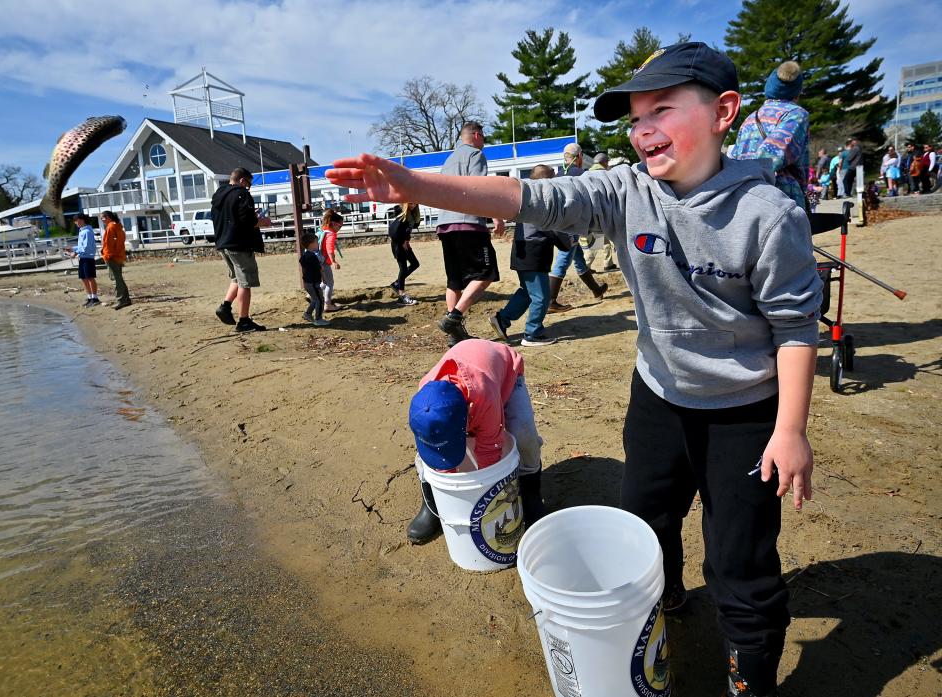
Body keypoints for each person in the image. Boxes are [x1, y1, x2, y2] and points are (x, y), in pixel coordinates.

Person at [326, 40, 822, 697]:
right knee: (644, 522)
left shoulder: (769, 215)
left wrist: (790, 428)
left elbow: (794, 327)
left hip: (746, 411)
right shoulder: (624, 193)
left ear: (724, 111)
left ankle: (751, 677)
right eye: (636, 117)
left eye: (663, 110)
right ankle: (667, 596)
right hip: (659, 395)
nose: (644, 130)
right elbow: (524, 198)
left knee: (740, 558)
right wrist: (417, 185)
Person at [405, 339, 546, 544]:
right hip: (461, 391)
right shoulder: (424, 399)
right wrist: (450, 486)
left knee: (525, 436)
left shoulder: (484, 398)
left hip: (505, 374)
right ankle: (432, 505)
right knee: (425, 458)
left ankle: (531, 494)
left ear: (469, 411)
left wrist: (482, 496)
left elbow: (490, 449)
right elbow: (429, 442)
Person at [433, 121, 505, 346]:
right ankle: (454, 318)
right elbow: (479, 188)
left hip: (445, 224)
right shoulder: (475, 155)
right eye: (483, 137)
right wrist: (495, 214)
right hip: (468, 223)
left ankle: (455, 336)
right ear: (476, 135)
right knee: (486, 273)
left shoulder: (448, 160)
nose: (484, 142)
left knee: (454, 280)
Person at [489, 165, 572, 347]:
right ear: (545, 182)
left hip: (521, 250)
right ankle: (533, 333)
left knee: (527, 292)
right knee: (541, 296)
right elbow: (551, 228)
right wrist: (568, 241)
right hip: (534, 252)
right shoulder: (540, 199)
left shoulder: (525, 197)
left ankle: (502, 319)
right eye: (553, 179)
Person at [730, 61, 809, 210]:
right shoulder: (796, 114)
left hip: (743, 197)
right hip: (780, 199)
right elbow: (767, 157)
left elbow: (734, 158)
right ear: (796, 92)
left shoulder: (751, 118)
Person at [548, 142, 609, 313]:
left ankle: (596, 289)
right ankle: (550, 300)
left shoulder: (556, 176)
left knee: (578, 258)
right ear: (580, 156)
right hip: (572, 224)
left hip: (558, 223)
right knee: (563, 259)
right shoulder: (582, 175)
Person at [213, 167, 266, 332]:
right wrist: (263, 221)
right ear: (242, 180)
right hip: (239, 245)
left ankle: (225, 307)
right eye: (248, 184)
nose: (248, 187)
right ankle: (244, 321)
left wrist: (251, 215)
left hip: (223, 243)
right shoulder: (242, 194)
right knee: (245, 282)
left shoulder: (219, 195)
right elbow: (246, 222)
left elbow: (232, 216)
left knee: (236, 278)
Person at [582, 153, 619, 271]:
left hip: (588, 213)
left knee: (602, 241)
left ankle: (607, 263)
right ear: (604, 162)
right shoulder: (606, 174)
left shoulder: (585, 174)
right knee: (598, 241)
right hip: (603, 213)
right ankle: (586, 267)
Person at [387, 202, 421, 305]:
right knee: (403, 268)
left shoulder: (411, 214)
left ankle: (397, 283)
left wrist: (406, 240)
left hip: (403, 243)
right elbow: (392, 231)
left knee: (415, 264)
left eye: (415, 203)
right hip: (399, 245)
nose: (413, 204)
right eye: (411, 202)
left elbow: (409, 228)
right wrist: (404, 241)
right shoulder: (403, 214)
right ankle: (401, 294)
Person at [65, 212, 99, 307]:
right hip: (83, 257)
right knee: (84, 278)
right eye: (75, 221)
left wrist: (73, 249)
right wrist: (74, 252)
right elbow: (82, 246)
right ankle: (89, 297)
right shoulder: (82, 231)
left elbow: (86, 247)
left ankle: (95, 298)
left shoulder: (87, 231)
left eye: (77, 220)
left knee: (90, 277)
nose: (76, 222)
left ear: (82, 220)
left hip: (88, 258)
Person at [100, 210, 131, 310]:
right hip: (119, 256)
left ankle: (121, 300)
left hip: (112, 256)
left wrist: (107, 255)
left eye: (102, 218)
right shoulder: (118, 226)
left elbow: (108, 244)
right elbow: (119, 242)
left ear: (108, 217)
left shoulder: (110, 227)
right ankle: (126, 299)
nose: (102, 220)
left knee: (116, 279)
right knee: (119, 278)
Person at [299, 232, 330, 327]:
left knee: (314, 299)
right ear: (311, 244)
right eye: (317, 242)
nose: (318, 244)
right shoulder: (313, 256)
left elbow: (304, 267)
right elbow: (320, 268)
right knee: (320, 300)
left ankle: (307, 314)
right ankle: (318, 319)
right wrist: (324, 278)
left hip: (307, 283)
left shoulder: (304, 256)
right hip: (313, 283)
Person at [318, 210, 344, 311]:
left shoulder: (323, 231)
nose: (340, 229)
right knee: (330, 283)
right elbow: (329, 249)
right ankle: (327, 305)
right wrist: (334, 261)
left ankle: (311, 295)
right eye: (339, 226)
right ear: (333, 223)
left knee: (324, 282)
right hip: (325, 262)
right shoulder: (331, 234)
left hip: (318, 261)